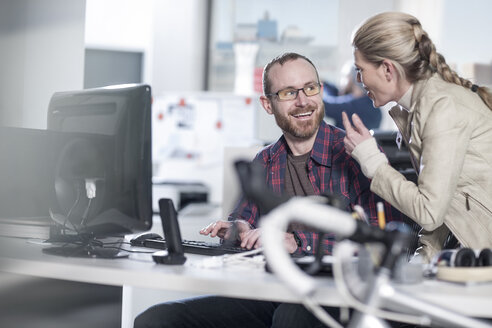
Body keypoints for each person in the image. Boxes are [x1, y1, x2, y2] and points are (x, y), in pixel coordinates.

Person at [134, 52, 404, 328]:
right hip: (271, 293)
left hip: (340, 297)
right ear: (267, 104)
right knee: (158, 319)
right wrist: (237, 229)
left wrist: (299, 242)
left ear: (321, 92)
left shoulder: (356, 154)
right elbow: (244, 220)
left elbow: (387, 240)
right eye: (288, 93)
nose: (303, 101)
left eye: (310, 89)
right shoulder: (264, 160)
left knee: (290, 318)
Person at [342, 12, 492, 263]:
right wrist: (423, 259)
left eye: (360, 70)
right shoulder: (420, 108)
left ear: (387, 69)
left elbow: (429, 211)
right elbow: (448, 203)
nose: (358, 80)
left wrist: (372, 161)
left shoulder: (441, 109)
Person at [323, 61, 382, 130]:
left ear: (352, 79)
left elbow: (326, 105)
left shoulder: (354, 106)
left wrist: (319, 87)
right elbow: (338, 96)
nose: (341, 81)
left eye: (344, 76)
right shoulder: (372, 105)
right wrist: (325, 84)